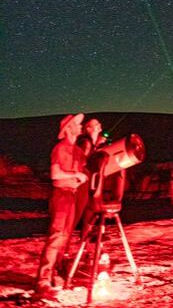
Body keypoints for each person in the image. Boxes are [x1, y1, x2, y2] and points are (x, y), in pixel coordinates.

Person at [35, 114, 89, 299]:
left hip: (72, 195)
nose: (80, 127)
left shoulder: (78, 151)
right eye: (76, 124)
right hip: (61, 195)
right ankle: (43, 280)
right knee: (57, 235)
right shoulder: (60, 148)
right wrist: (74, 174)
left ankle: (53, 276)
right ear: (67, 128)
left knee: (65, 236)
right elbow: (55, 174)